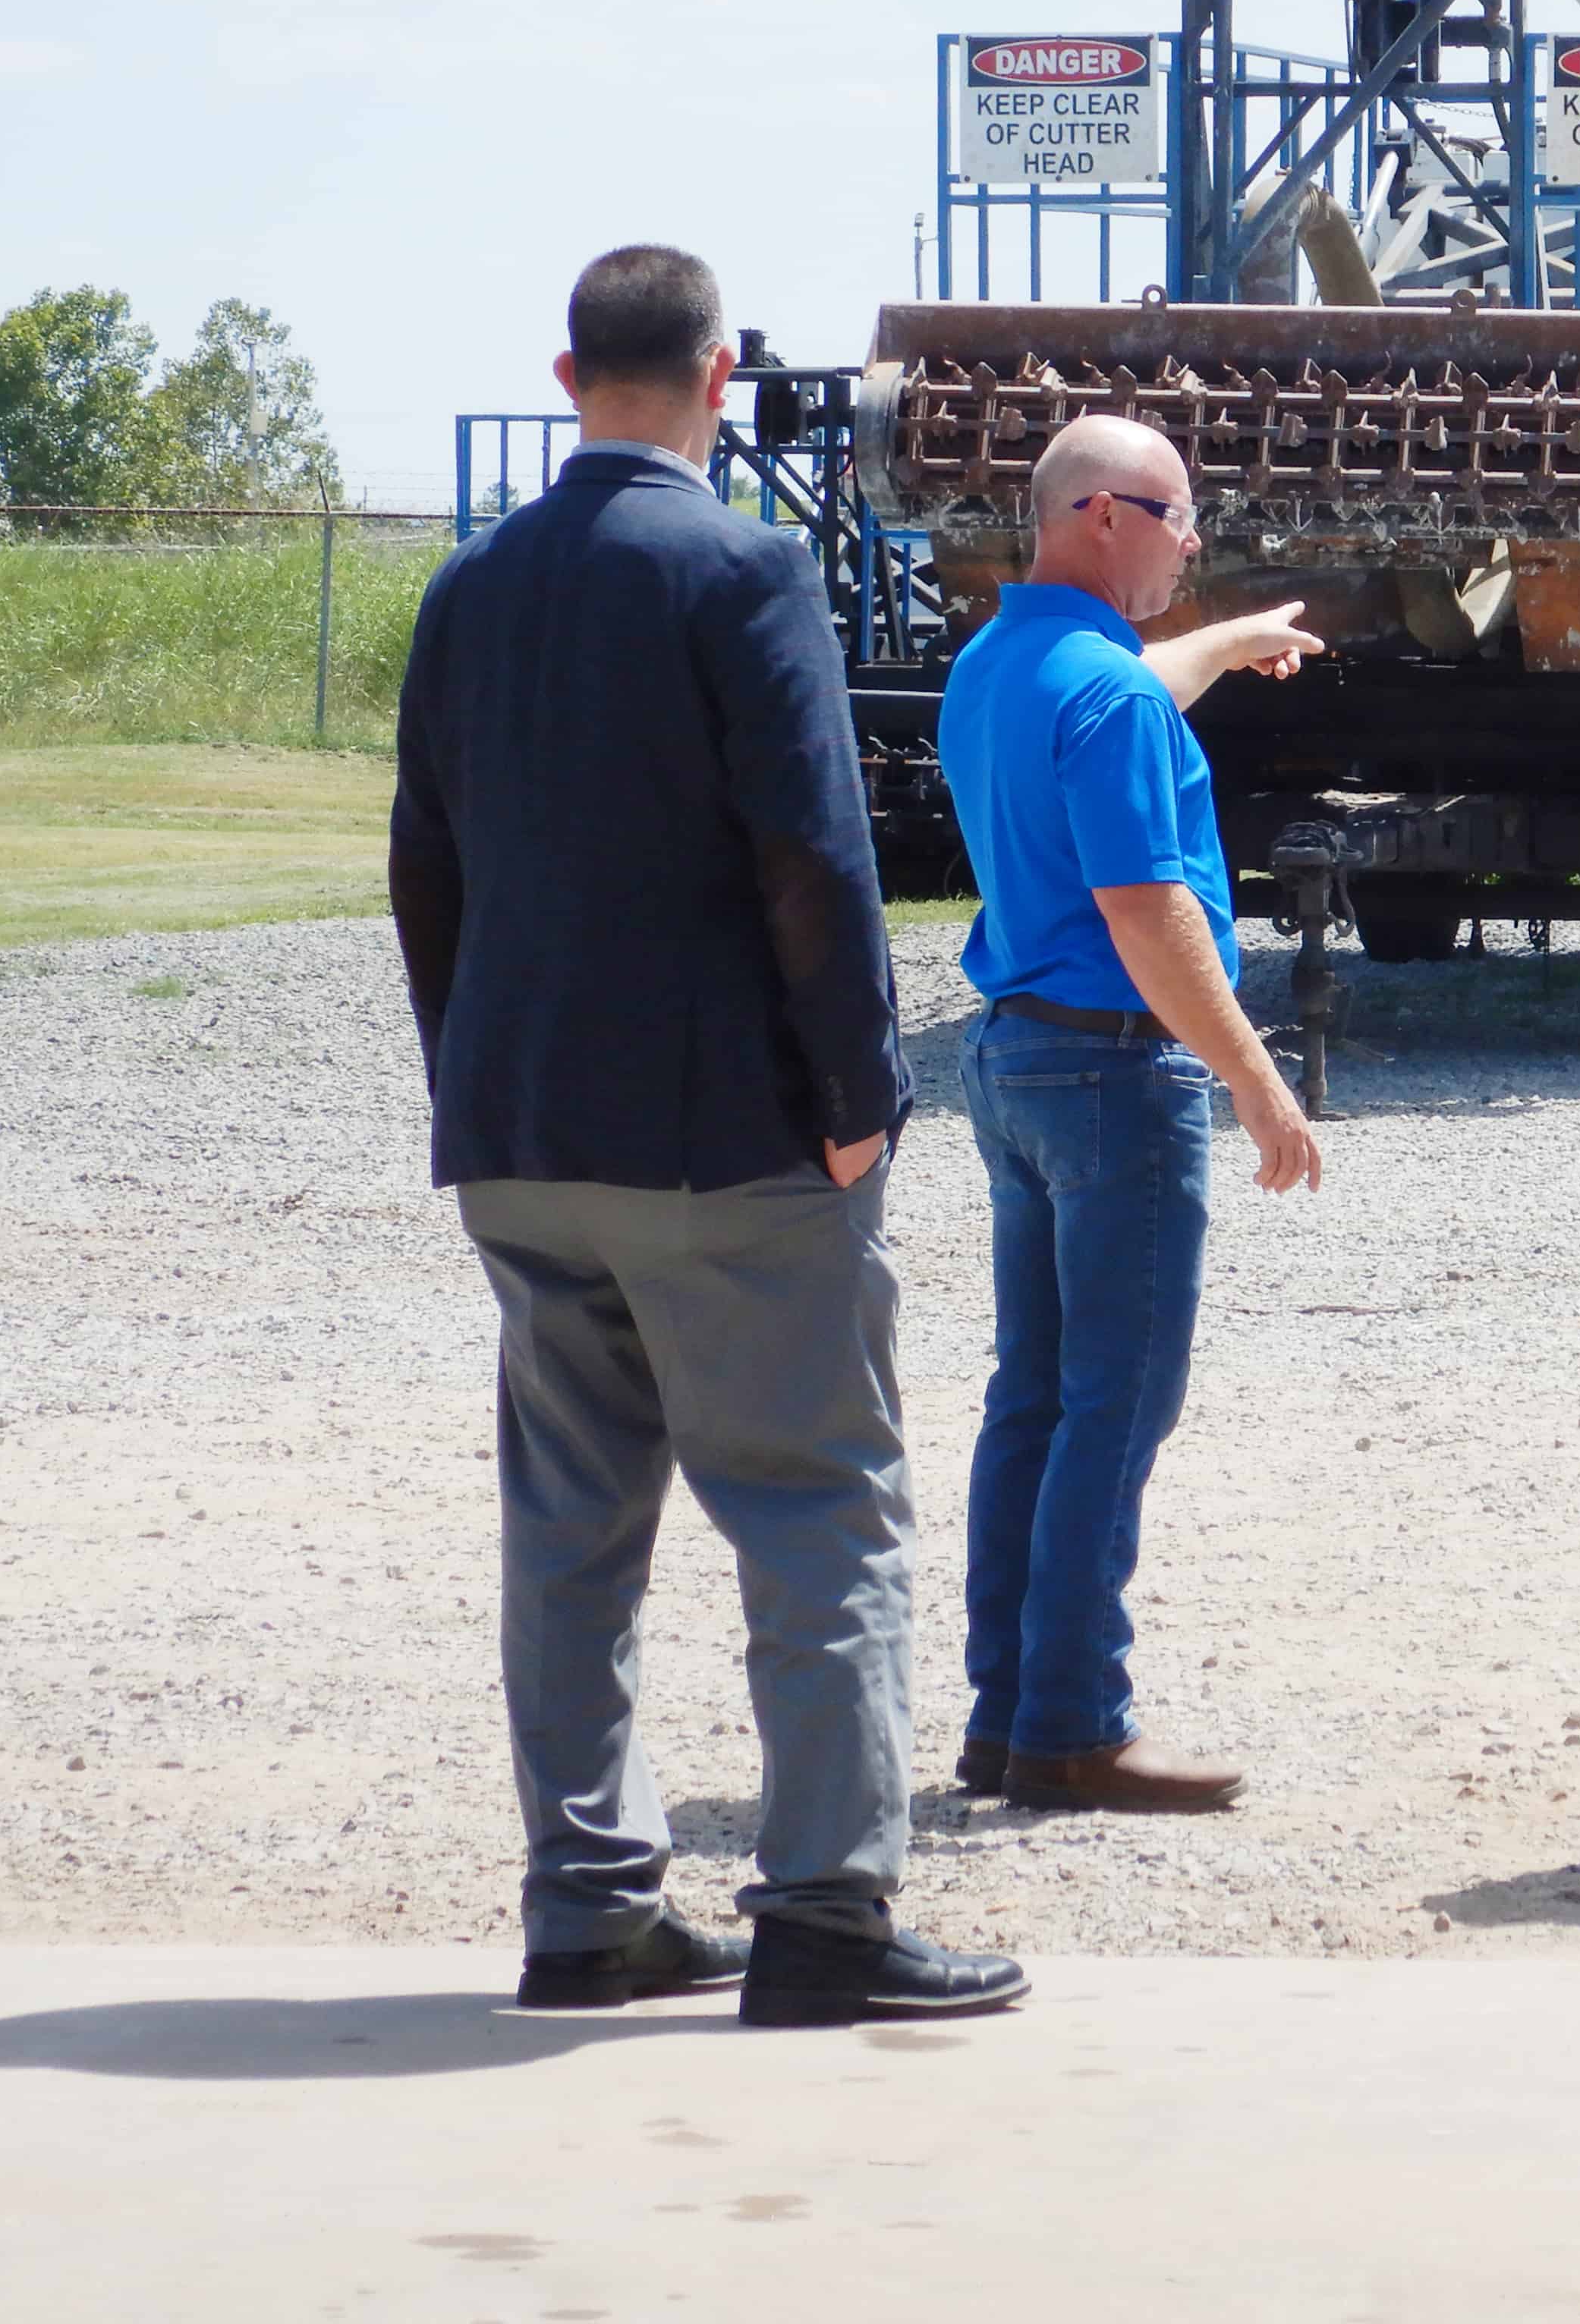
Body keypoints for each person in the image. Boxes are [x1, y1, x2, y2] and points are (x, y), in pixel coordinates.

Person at [391, 244, 1025, 2026]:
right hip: (722, 1141)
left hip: (523, 1131)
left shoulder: (468, 585)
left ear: (568, 376)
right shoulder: (744, 569)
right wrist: (858, 1100)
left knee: (569, 1531)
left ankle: (590, 1905)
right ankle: (827, 1914)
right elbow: (812, 853)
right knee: (822, 1506)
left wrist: (472, 1078)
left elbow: (425, 860)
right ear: (719, 375)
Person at [936, 412, 1327, 1815]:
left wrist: (1227, 642)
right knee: (1118, 1404)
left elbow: (1129, 685)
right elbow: (1149, 913)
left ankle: (1007, 1713)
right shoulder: (1110, 698)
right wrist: (1261, 1084)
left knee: (1035, 1400)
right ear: (1101, 516)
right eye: (1177, 516)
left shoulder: (998, 662)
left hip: (1019, 1060)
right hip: (1115, 1073)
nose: (1193, 542)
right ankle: (1074, 1725)